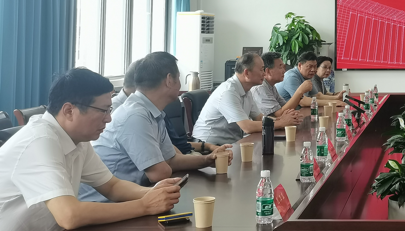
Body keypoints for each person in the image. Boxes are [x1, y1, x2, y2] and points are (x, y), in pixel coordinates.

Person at [0, 68, 181, 231]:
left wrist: (155, 193)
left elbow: (112, 186)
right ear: (69, 111)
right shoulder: (39, 142)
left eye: (109, 109)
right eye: (103, 110)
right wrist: (145, 205)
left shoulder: (77, 139)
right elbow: (69, 216)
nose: (109, 119)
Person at [79, 52, 232, 202]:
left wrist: (207, 160)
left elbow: (172, 160)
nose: (180, 84)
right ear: (169, 80)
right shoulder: (135, 116)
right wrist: (167, 164)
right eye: (178, 78)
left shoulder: (152, 113)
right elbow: (159, 173)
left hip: (136, 196)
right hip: (106, 205)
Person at [116, 59, 227, 156]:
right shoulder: (131, 114)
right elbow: (162, 163)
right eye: (178, 78)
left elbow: (171, 149)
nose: (180, 85)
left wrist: (206, 148)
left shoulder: (158, 112)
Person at [193, 53, 302, 145]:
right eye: (261, 70)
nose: (264, 73)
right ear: (247, 73)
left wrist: (283, 120)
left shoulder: (246, 90)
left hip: (230, 143)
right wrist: (281, 122)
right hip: (208, 145)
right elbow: (247, 126)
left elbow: (259, 118)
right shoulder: (228, 92)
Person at [251, 52, 312, 117]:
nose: (284, 71)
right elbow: (277, 115)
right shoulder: (260, 88)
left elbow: (286, 108)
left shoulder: (271, 86)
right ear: (268, 71)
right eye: (280, 67)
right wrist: (300, 91)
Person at [276, 52, 343, 106]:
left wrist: (336, 98)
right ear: (300, 65)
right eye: (309, 66)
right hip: (284, 113)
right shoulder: (291, 77)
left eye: (315, 66)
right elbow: (302, 101)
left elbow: (317, 95)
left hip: (297, 110)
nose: (313, 70)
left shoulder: (307, 76)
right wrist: (333, 102)